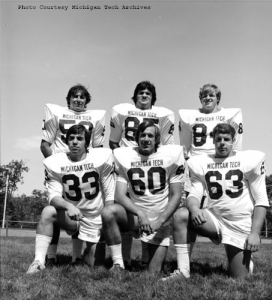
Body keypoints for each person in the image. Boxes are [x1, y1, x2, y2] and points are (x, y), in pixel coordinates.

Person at [162, 123, 269, 281]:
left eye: (226, 139)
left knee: (239, 279)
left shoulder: (249, 160)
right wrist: (195, 209)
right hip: (214, 218)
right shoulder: (202, 163)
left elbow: (261, 200)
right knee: (181, 215)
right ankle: (183, 270)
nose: (222, 142)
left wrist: (254, 233)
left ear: (233, 140)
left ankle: (246, 262)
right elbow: (194, 194)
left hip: (239, 223)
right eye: (218, 139)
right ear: (213, 141)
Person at [27, 125, 115, 274]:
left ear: (86, 142)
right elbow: (53, 197)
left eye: (79, 138)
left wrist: (105, 221)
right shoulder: (55, 162)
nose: (75, 142)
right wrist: (69, 206)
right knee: (48, 211)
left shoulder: (101, 158)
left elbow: (109, 194)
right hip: (72, 217)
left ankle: (86, 253)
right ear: (67, 142)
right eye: (71, 138)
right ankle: (38, 261)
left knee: (96, 266)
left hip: (95, 217)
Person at [102, 120, 184, 273]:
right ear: (137, 137)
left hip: (160, 219)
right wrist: (140, 213)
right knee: (108, 212)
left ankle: (149, 260)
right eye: (143, 135)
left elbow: (177, 194)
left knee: (152, 275)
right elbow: (119, 196)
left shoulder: (171, 156)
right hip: (135, 217)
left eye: (150, 136)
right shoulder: (124, 156)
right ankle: (118, 264)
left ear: (157, 139)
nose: (146, 139)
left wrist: (160, 221)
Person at [109, 80, 175, 268]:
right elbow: (113, 143)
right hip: (129, 166)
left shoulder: (163, 115)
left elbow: (166, 147)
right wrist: (126, 158)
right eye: (140, 92)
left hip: (150, 164)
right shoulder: (121, 111)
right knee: (127, 213)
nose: (144, 95)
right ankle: (125, 260)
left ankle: (147, 259)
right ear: (135, 95)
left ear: (153, 97)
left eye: (148, 93)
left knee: (151, 209)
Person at [40, 84, 106, 266]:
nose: (78, 99)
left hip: (85, 170)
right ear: (68, 99)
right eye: (74, 96)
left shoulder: (95, 117)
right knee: (55, 211)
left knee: (80, 207)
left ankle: (76, 257)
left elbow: (98, 149)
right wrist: (57, 168)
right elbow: (45, 145)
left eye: (82, 97)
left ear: (87, 101)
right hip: (62, 169)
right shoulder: (56, 113)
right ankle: (51, 256)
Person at [179, 83, 243, 206]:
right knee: (194, 203)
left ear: (218, 98)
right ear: (200, 99)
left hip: (219, 163)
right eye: (204, 95)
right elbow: (185, 145)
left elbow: (235, 143)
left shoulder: (230, 115)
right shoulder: (189, 116)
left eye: (211, 95)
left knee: (220, 201)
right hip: (196, 163)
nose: (207, 98)